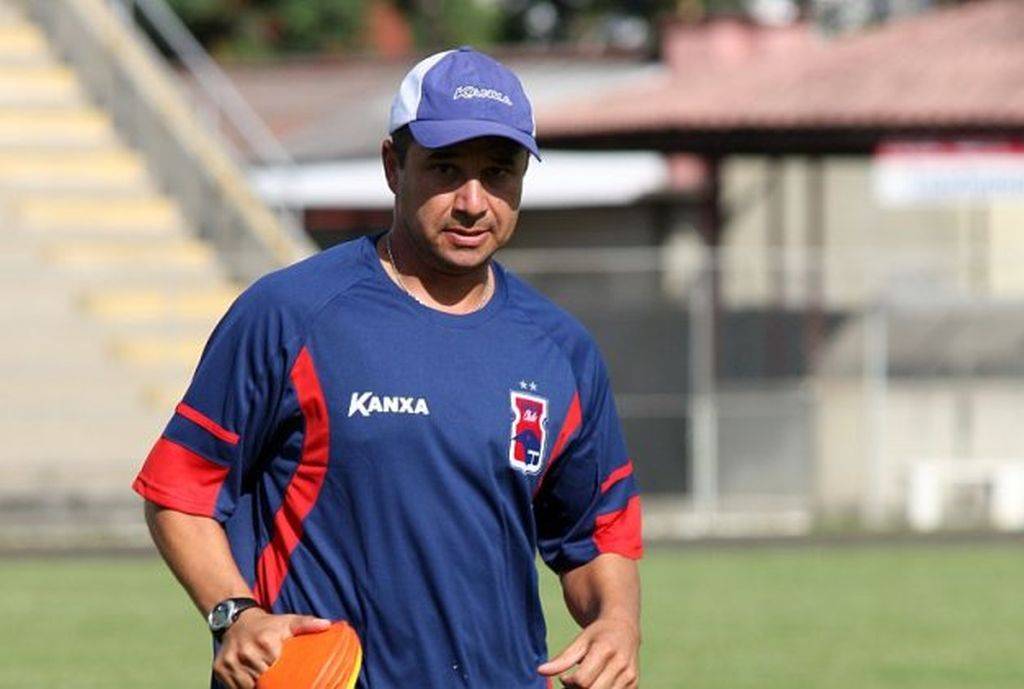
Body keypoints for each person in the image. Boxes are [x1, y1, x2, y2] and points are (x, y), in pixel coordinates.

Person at [133, 46, 642, 689]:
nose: (473, 202)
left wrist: (618, 623)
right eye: (446, 169)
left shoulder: (561, 349)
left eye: (498, 173)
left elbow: (598, 533)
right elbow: (179, 492)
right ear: (392, 166)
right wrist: (234, 614)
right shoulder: (291, 314)